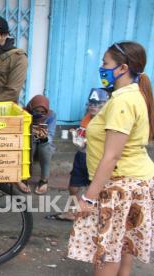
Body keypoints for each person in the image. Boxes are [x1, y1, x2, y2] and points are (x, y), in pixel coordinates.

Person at [68, 41, 154, 276]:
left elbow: (112, 156)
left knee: (108, 255)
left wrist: (89, 198)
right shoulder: (134, 94)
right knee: (123, 248)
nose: (102, 67)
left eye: (105, 63)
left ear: (123, 68)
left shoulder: (122, 102)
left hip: (120, 186)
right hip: (135, 181)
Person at [46, 88, 109, 221]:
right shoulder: (86, 119)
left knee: (96, 187)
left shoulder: (107, 121)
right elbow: (82, 138)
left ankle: (97, 215)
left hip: (96, 158)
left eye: (97, 104)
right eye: (91, 104)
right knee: (73, 187)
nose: (93, 107)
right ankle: (71, 212)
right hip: (81, 156)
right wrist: (78, 137)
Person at [18, 95, 56, 194]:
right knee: (30, 145)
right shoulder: (23, 113)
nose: (39, 114)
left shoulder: (51, 115)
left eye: (42, 112)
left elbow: (51, 134)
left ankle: (44, 180)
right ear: (31, 108)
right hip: (27, 142)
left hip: (43, 142)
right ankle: (23, 178)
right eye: (36, 111)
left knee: (46, 147)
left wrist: (43, 136)